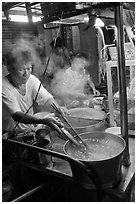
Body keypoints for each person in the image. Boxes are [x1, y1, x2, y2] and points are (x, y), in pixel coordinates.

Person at [2, 46, 67, 137]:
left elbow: (46, 98)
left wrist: (57, 108)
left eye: (29, 68)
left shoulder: (31, 79)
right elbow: (17, 115)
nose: (26, 74)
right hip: (10, 135)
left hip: (28, 131)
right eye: (21, 69)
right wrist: (42, 121)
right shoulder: (3, 86)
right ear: (9, 68)